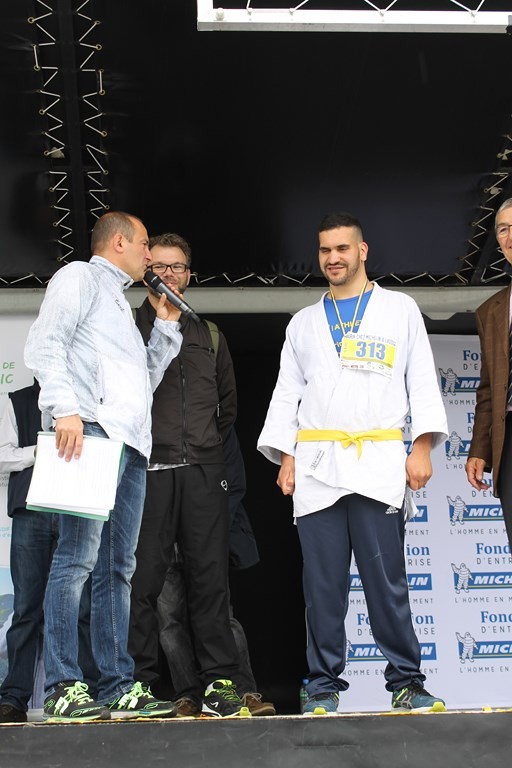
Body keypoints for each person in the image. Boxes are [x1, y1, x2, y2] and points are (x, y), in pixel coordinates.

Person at [257, 212, 449, 715]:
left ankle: (406, 682)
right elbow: (287, 394)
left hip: (377, 463)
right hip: (318, 466)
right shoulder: (303, 323)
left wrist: (422, 447)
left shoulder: (399, 309)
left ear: (362, 251)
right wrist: (286, 456)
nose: (333, 258)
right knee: (322, 588)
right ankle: (322, 686)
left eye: (342, 248)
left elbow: (421, 379)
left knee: (387, 583)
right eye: (325, 250)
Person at [23, 211, 183, 723]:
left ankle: (116, 684)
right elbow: (45, 343)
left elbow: (141, 383)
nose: (150, 256)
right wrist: (65, 408)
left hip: (129, 444)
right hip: (88, 429)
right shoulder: (79, 277)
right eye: (144, 245)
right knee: (75, 558)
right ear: (118, 242)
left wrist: (165, 327)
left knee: (118, 567)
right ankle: (62, 685)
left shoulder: (119, 301)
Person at [128, 232, 253, 718]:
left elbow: (228, 408)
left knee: (210, 581)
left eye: (177, 266)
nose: (169, 275)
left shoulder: (210, 333)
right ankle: (138, 683)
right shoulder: (126, 327)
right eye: (159, 266)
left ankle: (221, 682)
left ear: (189, 274)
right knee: (142, 583)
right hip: (149, 470)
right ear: (146, 273)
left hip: (203, 470)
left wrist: (201, 448)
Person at [157, 425, 276, 717]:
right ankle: (188, 695)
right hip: (162, 537)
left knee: (221, 617)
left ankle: (243, 691)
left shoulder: (216, 423)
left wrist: (208, 527)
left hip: (206, 536)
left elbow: (234, 483)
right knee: (169, 623)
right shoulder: (154, 423)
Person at [0, 380, 50, 723]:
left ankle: (79, 689)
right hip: (31, 510)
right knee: (26, 607)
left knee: (80, 607)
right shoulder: (17, 401)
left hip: (75, 509)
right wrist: (40, 451)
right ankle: (14, 696)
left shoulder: (86, 398)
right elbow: (3, 455)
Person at [466, 198, 512, 548]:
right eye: (503, 229)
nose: (510, 236)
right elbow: (488, 389)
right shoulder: (491, 310)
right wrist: (480, 448)